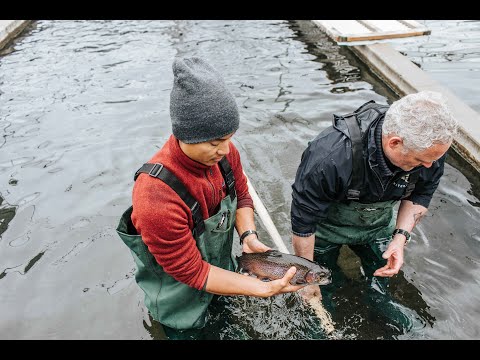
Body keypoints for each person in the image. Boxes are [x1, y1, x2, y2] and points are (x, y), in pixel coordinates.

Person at [116, 57, 303, 340]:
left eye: (229, 138)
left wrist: (248, 235)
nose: (226, 150)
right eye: (215, 143)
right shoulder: (155, 196)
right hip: (180, 301)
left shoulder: (226, 155)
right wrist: (261, 288)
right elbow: (190, 272)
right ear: (185, 136)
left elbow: (242, 195)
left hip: (221, 273)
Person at [290, 91, 458, 330]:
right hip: (326, 229)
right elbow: (303, 221)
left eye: (434, 159)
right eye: (422, 160)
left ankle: (379, 300)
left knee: (381, 275)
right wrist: (307, 277)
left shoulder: (430, 150)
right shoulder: (330, 157)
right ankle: (325, 310)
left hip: (378, 225)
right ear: (395, 143)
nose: (430, 166)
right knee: (322, 284)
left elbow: (421, 192)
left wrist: (400, 238)